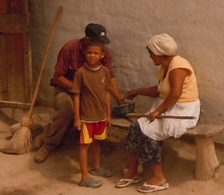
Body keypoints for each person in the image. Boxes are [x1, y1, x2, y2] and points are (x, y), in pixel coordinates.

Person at [115, 34, 200, 193]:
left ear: (159, 52)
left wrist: (158, 111)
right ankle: (133, 172)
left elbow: (175, 93)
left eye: (151, 53)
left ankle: (159, 178)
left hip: (183, 109)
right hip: (167, 106)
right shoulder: (164, 66)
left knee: (149, 134)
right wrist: (138, 91)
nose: (150, 56)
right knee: (136, 128)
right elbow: (161, 89)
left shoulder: (178, 66)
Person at [33, 23, 125, 163]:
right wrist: (80, 88)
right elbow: (58, 78)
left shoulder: (103, 52)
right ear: (87, 39)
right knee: (67, 110)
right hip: (66, 89)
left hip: (88, 94)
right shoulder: (70, 48)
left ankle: (47, 132)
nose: (101, 45)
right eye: (98, 41)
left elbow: (110, 78)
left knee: (89, 114)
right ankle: (49, 145)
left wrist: (119, 99)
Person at [71, 38, 113, 188]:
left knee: (97, 142)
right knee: (84, 145)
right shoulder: (81, 73)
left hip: (101, 116)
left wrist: (108, 114)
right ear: (85, 54)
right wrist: (77, 117)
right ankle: (84, 177)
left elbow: (107, 93)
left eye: (96, 53)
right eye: (89, 53)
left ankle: (97, 167)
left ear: (102, 55)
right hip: (87, 118)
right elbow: (76, 95)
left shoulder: (105, 71)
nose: (92, 56)